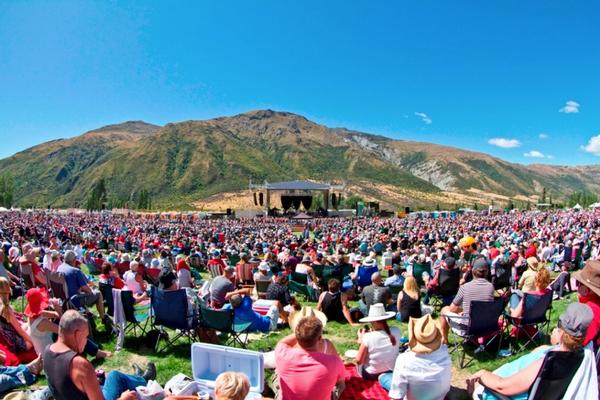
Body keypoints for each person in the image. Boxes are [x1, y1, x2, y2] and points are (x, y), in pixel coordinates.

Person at [468, 303, 598, 399]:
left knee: (475, 388)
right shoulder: (582, 356)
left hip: (505, 390)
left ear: (561, 330)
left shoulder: (548, 363)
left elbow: (502, 386)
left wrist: (483, 374)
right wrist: (555, 344)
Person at [43, 310, 156, 400]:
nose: (86, 341)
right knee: (114, 376)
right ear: (77, 335)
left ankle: (138, 378)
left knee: (109, 380)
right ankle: (143, 379)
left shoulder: (47, 351)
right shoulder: (79, 364)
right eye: (85, 336)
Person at [379, 314, 451, 400]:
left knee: (383, 377)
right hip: (439, 396)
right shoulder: (444, 351)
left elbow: (397, 395)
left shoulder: (404, 360)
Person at [24, 287, 111, 359]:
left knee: (70, 325)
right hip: (50, 356)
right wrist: (57, 307)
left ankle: (91, 350)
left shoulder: (33, 316)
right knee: (73, 331)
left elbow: (57, 316)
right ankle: (96, 352)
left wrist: (56, 308)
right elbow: (65, 328)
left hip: (48, 348)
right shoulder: (42, 323)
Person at [274, 316, 345, 400]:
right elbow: (341, 381)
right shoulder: (335, 362)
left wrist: (302, 332)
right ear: (319, 338)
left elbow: (282, 342)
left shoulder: (282, 353)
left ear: (296, 335)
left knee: (276, 374)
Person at [439, 257, 494, 343]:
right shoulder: (490, 287)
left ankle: (444, 340)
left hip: (467, 328)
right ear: (486, 272)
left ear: (472, 271)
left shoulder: (465, 287)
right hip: (485, 326)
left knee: (444, 310)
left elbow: (452, 309)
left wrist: (462, 310)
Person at [57, 250, 107, 323]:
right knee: (98, 294)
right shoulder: (75, 271)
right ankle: (103, 318)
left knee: (82, 292)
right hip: (73, 300)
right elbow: (88, 290)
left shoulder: (60, 267)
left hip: (63, 298)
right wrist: (92, 289)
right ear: (74, 260)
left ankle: (88, 313)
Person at [355, 303, 400, 380]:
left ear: (374, 321)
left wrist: (360, 339)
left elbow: (359, 361)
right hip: (392, 370)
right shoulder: (396, 330)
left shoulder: (367, 337)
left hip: (371, 374)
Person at [0, 278, 37, 366]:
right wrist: (33, 342)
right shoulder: (6, 309)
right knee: (34, 327)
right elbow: (20, 330)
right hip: (16, 345)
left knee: (27, 324)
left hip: (9, 338)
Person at [573, 259, 600, 348]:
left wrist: (558, 339)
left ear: (586, 290)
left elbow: (575, 346)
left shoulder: (589, 313)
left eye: (578, 283)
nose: (577, 287)